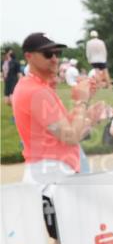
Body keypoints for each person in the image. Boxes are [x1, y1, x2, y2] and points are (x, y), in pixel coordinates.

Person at [12, 33, 106, 183]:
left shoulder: (37, 87)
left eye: (57, 53)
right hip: (50, 174)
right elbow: (70, 137)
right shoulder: (36, 91)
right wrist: (81, 102)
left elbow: (67, 130)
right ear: (29, 56)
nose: (55, 59)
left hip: (50, 171)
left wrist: (88, 117)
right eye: (48, 54)